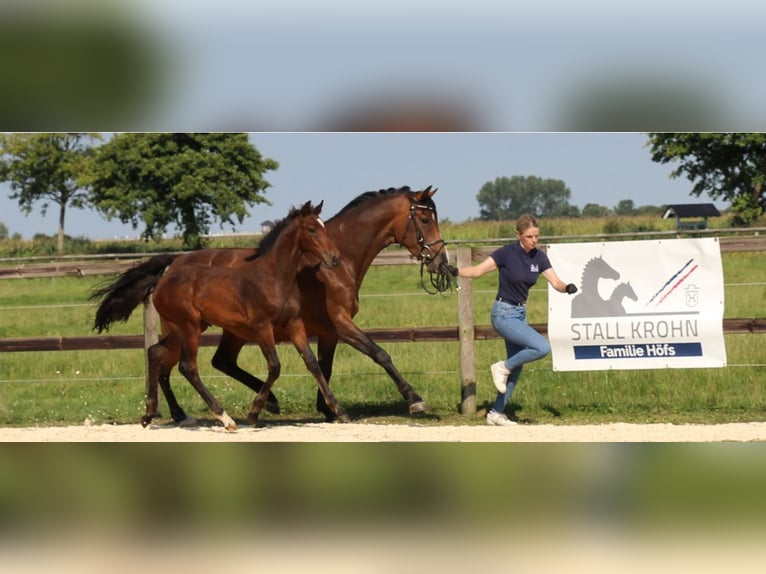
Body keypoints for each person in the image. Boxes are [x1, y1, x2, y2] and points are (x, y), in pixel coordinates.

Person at [444, 214, 577, 426]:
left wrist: (566, 288)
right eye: (530, 236)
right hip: (503, 314)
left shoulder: (539, 257)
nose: (534, 240)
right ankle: (501, 367)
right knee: (542, 347)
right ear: (518, 235)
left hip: (519, 314)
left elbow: (556, 281)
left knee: (518, 367)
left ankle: (495, 413)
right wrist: (456, 271)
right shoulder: (506, 253)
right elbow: (478, 270)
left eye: (537, 236)